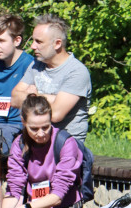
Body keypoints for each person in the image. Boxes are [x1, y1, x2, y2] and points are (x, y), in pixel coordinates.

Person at [11, 14, 91, 144]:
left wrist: (33, 95)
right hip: (36, 142)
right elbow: (14, 99)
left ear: (57, 43)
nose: (32, 46)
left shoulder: (77, 71)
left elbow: (56, 114)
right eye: (33, 40)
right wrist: (51, 98)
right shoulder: (36, 65)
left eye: (39, 42)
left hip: (65, 146)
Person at [0, 12, 35, 149]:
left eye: (1, 41)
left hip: (15, 125)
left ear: (17, 40)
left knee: (0, 142)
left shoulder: (30, 65)